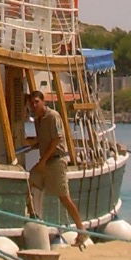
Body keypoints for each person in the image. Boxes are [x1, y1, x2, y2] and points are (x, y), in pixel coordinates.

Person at [25, 91, 87, 247]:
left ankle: (81, 230)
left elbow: (56, 140)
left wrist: (43, 161)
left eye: (36, 102)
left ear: (43, 102)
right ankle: (35, 220)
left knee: (64, 197)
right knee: (30, 183)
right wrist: (31, 143)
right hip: (45, 162)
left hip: (56, 161)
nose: (34, 105)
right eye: (32, 103)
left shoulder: (53, 116)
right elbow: (43, 140)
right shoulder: (37, 120)